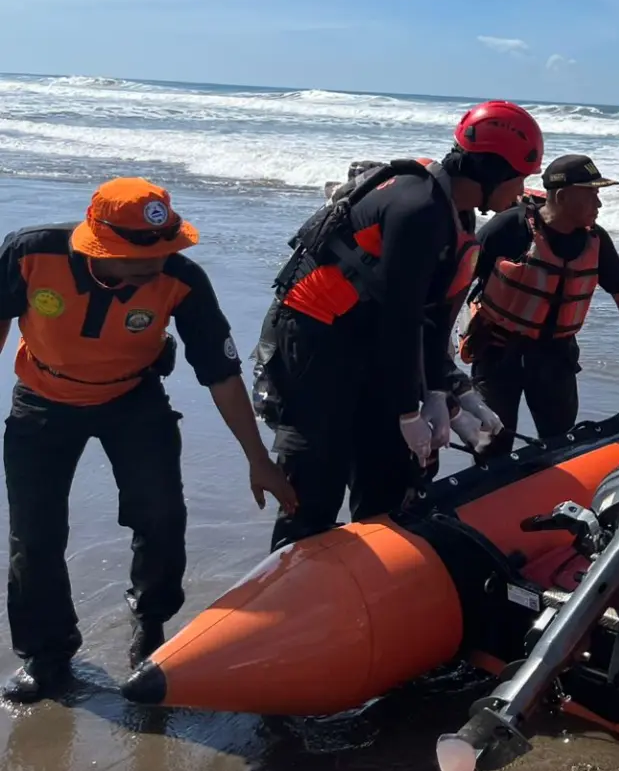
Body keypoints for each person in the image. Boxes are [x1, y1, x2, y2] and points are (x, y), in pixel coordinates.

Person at [0, 179, 295, 703]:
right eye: (140, 259)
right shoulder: (30, 254)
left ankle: (151, 623)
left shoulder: (180, 278)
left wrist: (258, 459)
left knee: (159, 516)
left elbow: (221, 374)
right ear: (100, 247)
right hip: (43, 401)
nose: (154, 266)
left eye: (164, 251)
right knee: (35, 535)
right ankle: (46, 654)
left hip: (133, 401)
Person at [252, 100, 541, 550]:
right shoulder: (418, 208)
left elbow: (426, 319)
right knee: (317, 479)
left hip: (369, 340)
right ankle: (296, 573)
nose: (521, 192)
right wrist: (410, 409)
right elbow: (400, 318)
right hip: (314, 343)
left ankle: (376, 575)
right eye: (519, 178)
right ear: (488, 170)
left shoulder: (456, 213)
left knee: (394, 473)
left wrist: (448, 388)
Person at [458, 154, 619, 441]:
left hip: (555, 358)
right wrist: (440, 349)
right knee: (492, 443)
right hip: (497, 353)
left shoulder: (596, 240)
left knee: (559, 440)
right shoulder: (508, 229)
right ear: (562, 197)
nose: (599, 204)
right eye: (592, 195)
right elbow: (458, 283)